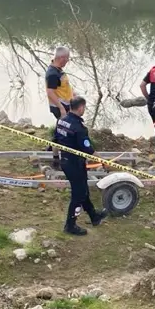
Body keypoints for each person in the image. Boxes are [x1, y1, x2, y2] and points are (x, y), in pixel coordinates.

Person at [53, 96, 105, 236]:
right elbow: (89, 150)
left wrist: (55, 158)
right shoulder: (79, 128)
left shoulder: (61, 121)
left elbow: (55, 141)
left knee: (82, 189)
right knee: (79, 194)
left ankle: (94, 216)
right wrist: (103, 161)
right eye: (84, 108)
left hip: (65, 161)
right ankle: (70, 225)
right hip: (75, 164)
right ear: (81, 107)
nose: (84, 110)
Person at [46, 46, 75, 120]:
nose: (67, 61)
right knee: (66, 125)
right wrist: (61, 108)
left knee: (66, 125)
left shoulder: (58, 69)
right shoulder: (52, 74)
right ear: (62, 58)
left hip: (66, 105)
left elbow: (62, 85)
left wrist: (73, 93)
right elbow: (50, 92)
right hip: (60, 107)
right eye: (67, 58)